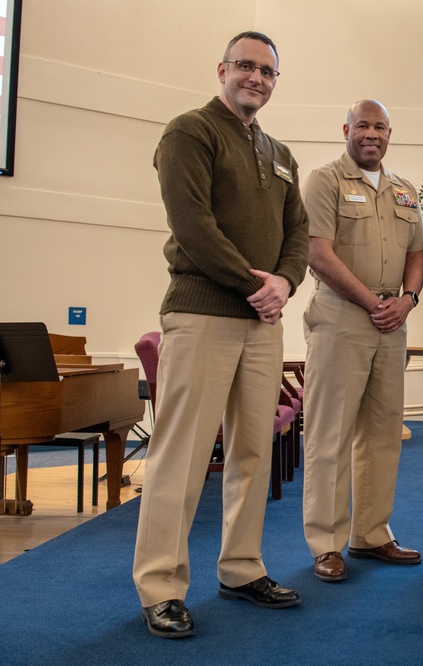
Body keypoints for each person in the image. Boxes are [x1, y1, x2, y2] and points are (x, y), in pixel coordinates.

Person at [132, 31, 309, 638]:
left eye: (267, 71)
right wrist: (254, 284)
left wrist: (284, 284)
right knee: (180, 455)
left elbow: (297, 235)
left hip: (262, 323)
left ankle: (240, 566)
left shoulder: (281, 152)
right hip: (202, 312)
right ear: (223, 69)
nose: (256, 78)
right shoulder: (190, 131)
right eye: (245, 66)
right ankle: (161, 585)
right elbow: (193, 225)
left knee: (253, 451)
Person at [302, 100, 423, 582]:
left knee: (382, 433)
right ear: (346, 130)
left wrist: (408, 299)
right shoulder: (325, 181)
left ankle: (371, 534)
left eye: (379, 126)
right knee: (329, 434)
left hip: (392, 322)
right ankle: (326, 543)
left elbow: (417, 251)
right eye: (362, 125)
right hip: (341, 318)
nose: (370, 133)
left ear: (390, 133)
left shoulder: (404, 190)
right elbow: (318, 253)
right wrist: (371, 301)